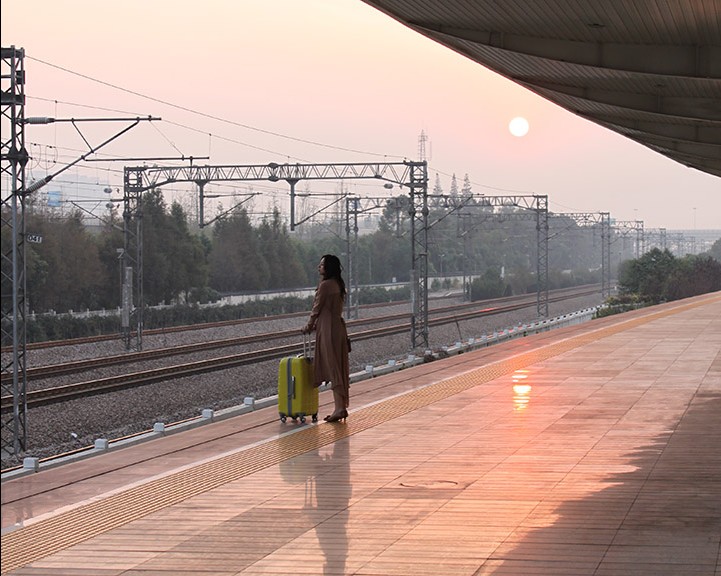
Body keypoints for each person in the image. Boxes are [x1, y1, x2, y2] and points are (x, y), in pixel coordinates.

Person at [301, 254, 350, 423]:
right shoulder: (338, 284)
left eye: (322, 265)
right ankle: (340, 406)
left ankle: (339, 408)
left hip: (327, 329)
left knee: (332, 367)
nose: (319, 267)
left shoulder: (325, 285)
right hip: (337, 327)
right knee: (338, 366)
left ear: (328, 268)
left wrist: (308, 326)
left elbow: (316, 308)